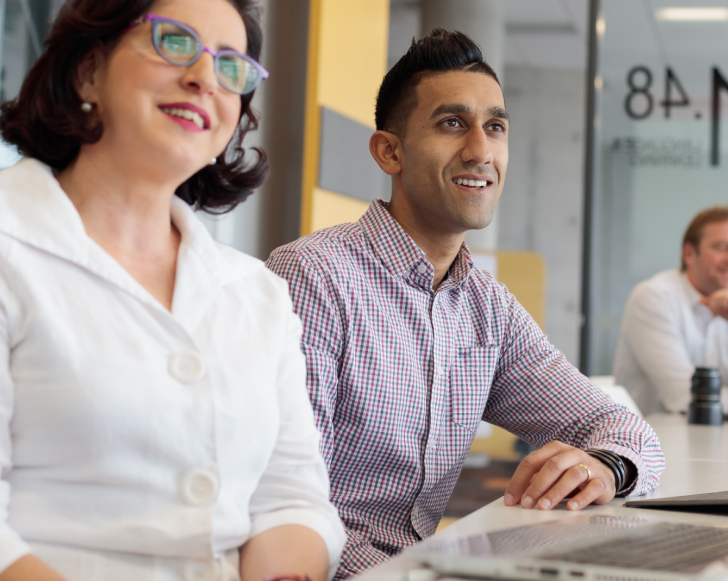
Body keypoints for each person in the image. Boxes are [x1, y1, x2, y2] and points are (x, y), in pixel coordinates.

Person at [0, 0, 345, 581]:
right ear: (88, 70)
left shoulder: (257, 292)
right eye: (175, 42)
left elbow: (290, 497)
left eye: (231, 66)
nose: (207, 77)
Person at [266, 29, 664, 579]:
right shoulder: (314, 276)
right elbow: (285, 496)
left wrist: (605, 465)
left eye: (494, 127)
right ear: (389, 151)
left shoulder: (486, 306)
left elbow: (620, 426)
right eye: (452, 123)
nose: (481, 151)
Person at [614, 206, 728, 416]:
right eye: (721, 248)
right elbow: (686, 397)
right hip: (650, 442)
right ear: (689, 253)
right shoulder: (653, 297)